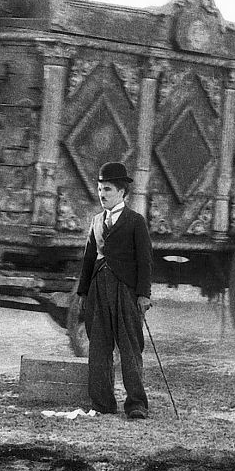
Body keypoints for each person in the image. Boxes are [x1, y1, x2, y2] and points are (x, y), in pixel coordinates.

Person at [74, 161, 154, 419]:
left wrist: (143, 295)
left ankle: (136, 404)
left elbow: (145, 261)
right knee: (98, 347)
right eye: (99, 189)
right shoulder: (97, 221)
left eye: (107, 189)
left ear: (121, 193)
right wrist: (83, 293)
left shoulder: (135, 222)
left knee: (130, 348)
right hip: (98, 292)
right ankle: (102, 403)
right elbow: (88, 259)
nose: (102, 194)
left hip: (125, 292)